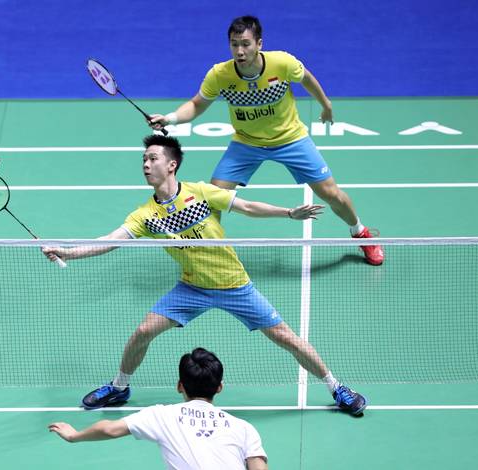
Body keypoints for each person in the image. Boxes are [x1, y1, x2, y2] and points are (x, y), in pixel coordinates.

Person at [43, 134, 367, 416]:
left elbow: (248, 207)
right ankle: (119, 387)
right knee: (143, 331)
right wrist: (68, 251)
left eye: (152, 158)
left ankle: (337, 388)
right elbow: (109, 242)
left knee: (284, 336)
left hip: (234, 285)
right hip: (191, 288)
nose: (145, 164)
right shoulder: (145, 215)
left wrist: (288, 213)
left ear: (171, 165)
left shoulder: (200, 192)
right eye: (143, 159)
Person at [148, 15, 384, 266]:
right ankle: (209, 252)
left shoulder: (281, 63)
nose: (239, 50)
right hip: (246, 143)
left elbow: (306, 78)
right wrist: (170, 118)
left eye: (246, 44)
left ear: (259, 43)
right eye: (234, 44)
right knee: (214, 196)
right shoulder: (220, 74)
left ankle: (360, 232)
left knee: (331, 194)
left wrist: (325, 105)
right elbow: (196, 105)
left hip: (290, 139)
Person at [49, 348, 269, 470]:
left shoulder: (163, 415)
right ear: (220, 387)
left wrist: (74, 435)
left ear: (179, 386)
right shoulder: (244, 428)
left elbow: (109, 429)